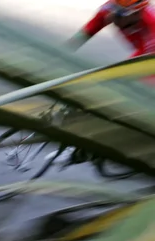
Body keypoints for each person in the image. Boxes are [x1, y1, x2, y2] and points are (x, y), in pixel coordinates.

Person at [45, 0, 155, 166]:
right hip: (143, 57)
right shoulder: (108, 11)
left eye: (120, 14)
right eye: (112, 10)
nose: (113, 17)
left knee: (128, 97)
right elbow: (85, 33)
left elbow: (146, 60)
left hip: (150, 59)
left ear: (138, 12)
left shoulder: (150, 20)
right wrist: (58, 56)